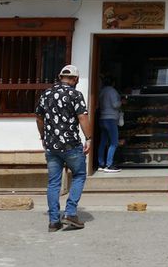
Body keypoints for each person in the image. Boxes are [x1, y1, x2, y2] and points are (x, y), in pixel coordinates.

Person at [35, 64, 92, 232]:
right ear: (74, 79)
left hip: (52, 146)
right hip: (71, 145)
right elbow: (82, 117)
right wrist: (88, 138)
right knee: (79, 175)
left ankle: (54, 221)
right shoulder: (75, 94)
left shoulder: (46, 94)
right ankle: (70, 212)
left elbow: (39, 118)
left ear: (61, 77)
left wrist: (43, 136)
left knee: (53, 182)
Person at [97, 75, 122, 173]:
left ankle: (101, 164)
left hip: (102, 118)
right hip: (111, 119)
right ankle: (109, 165)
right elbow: (115, 105)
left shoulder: (102, 91)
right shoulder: (112, 91)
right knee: (114, 143)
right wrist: (122, 102)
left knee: (103, 142)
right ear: (113, 83)